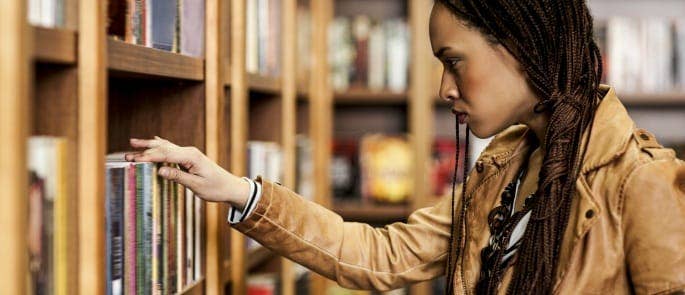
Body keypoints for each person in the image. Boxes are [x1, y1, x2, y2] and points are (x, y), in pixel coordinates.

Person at [125, 0, 685, 293]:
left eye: (452, 60)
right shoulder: (503, 174)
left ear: (518, 47)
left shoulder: (644, 186)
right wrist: (236, 190)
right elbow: (382, 256)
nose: (444, 87)